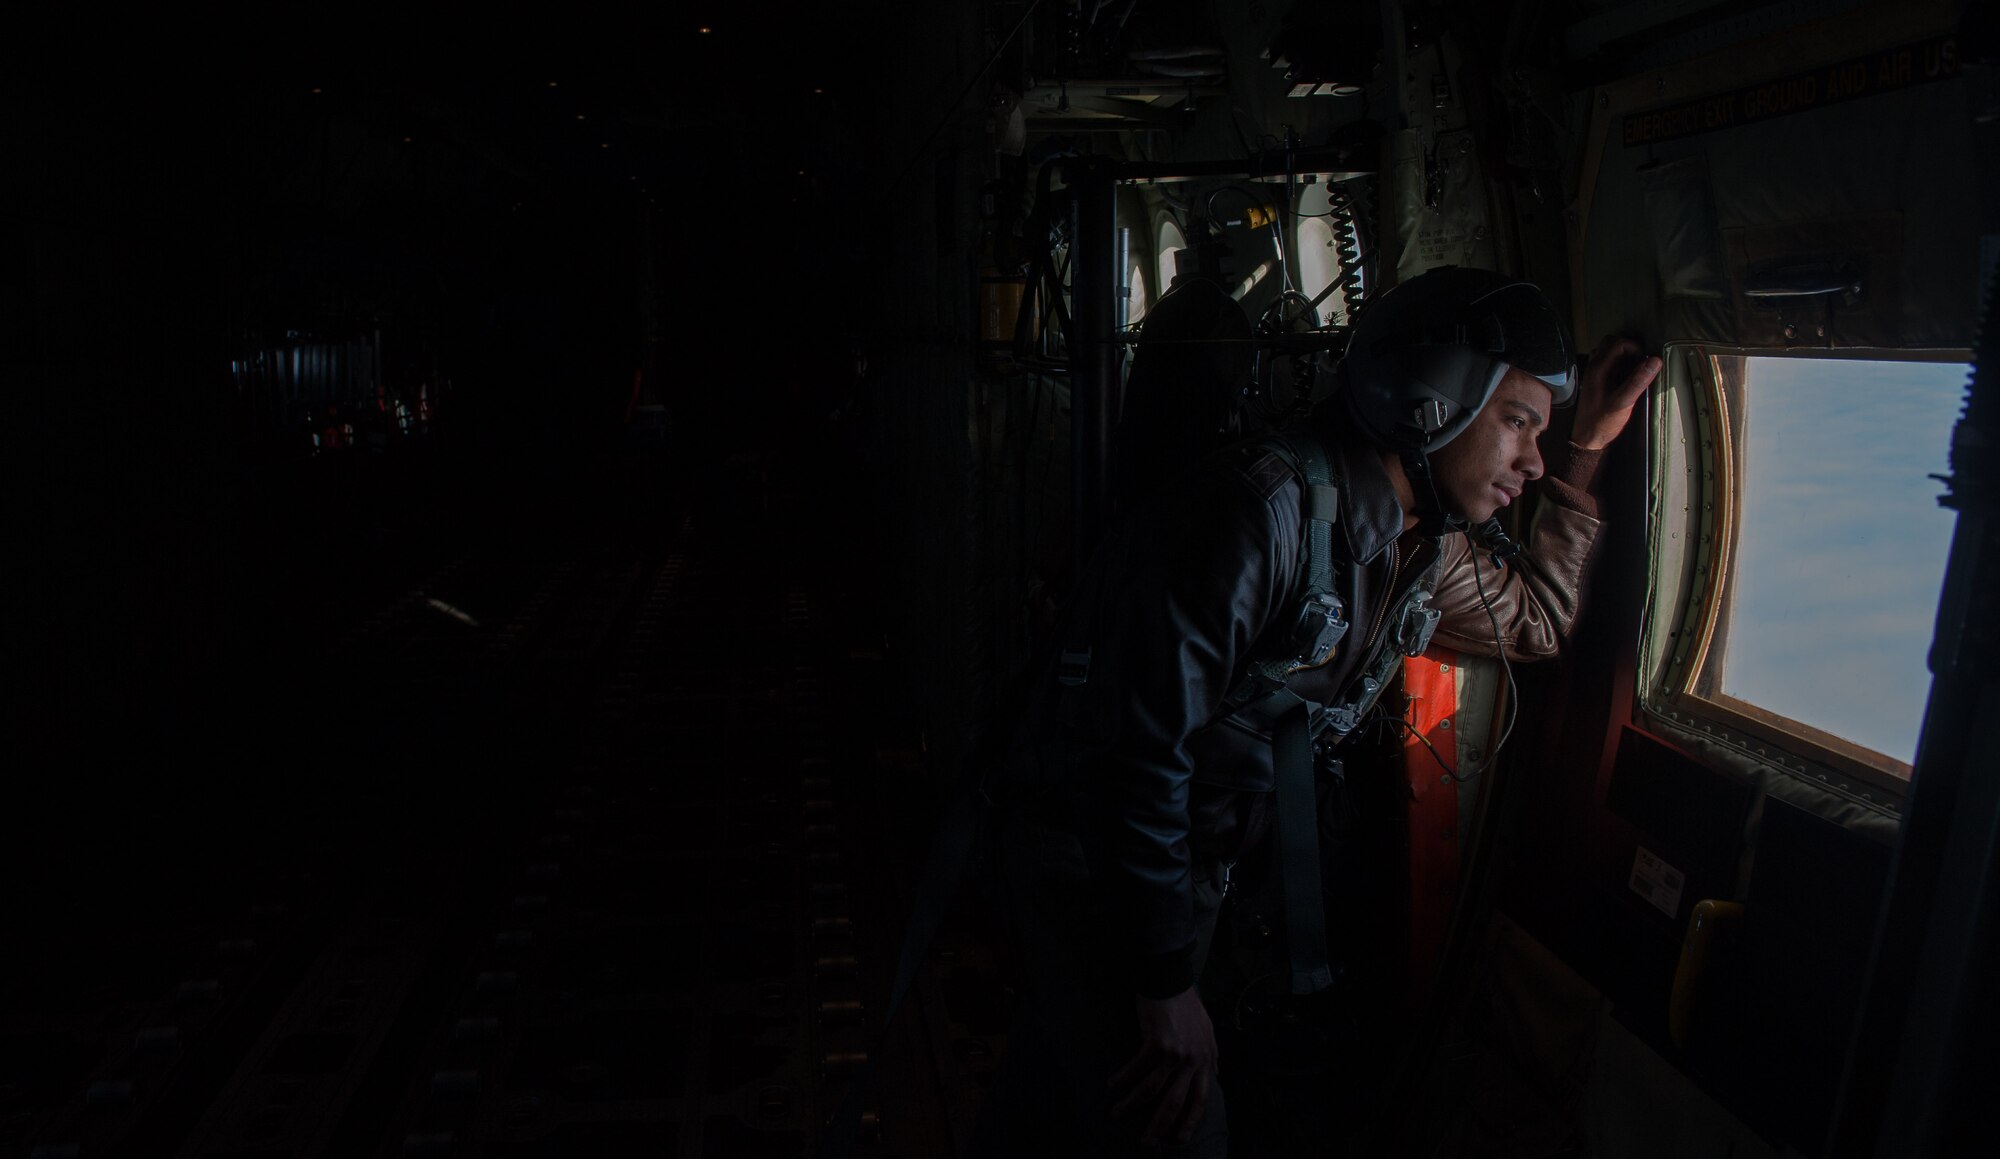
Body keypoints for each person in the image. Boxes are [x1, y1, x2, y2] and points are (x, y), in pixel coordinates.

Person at [973, 267, 1663, 1156]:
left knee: (1055, 1102)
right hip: (1100, 866)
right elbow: (1134, 752)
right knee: (1176, 1119)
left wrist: (1587, 451)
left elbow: (1534, 620)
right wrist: (1161, 980)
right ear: (1432, 402)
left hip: (1192, 874)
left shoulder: (1424, 546)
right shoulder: (1262, 512)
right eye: (1518, 423)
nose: (1531, 459)